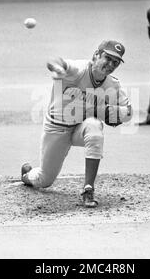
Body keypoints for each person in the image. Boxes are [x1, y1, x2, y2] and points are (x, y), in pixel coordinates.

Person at [21, 40, 133, 208]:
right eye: (107, 58)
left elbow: (128, 112)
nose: (110, 64)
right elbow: (54, 60)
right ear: (96, 55)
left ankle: (88, 190)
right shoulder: (77, 70)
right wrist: (58, 69)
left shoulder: (113, 84)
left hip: (81, 128)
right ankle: (27, 174)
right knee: (44, 180)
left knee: (95, 126)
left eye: (115, 62)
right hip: (56, 129)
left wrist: (103, 110)